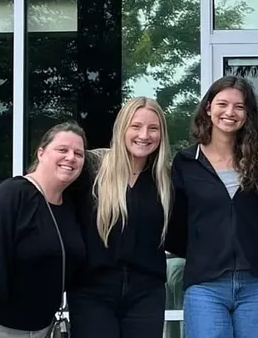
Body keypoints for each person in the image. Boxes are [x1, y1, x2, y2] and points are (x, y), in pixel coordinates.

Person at [168, 75, 258, 338]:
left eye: (239, 106)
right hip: (205, 285)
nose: (230, 112)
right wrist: (203, 250)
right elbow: (176, 225)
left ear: (248, 114)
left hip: (257, 284)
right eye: (222, 104)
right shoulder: (186, 162)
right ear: (208, 108)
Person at [0, 122, 87, 338]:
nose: (70, 157)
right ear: (41, 153)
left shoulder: (70, 207)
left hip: (38, 330)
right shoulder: (11, 194)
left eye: (78, 153)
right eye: (62, 150)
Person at [69, 97, 176, 338]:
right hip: (92, 291)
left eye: (153, 128)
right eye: (135, 126)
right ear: (121, 129)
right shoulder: (92, 169)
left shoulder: (167, 179)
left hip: (146, 294)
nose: (144, 135)